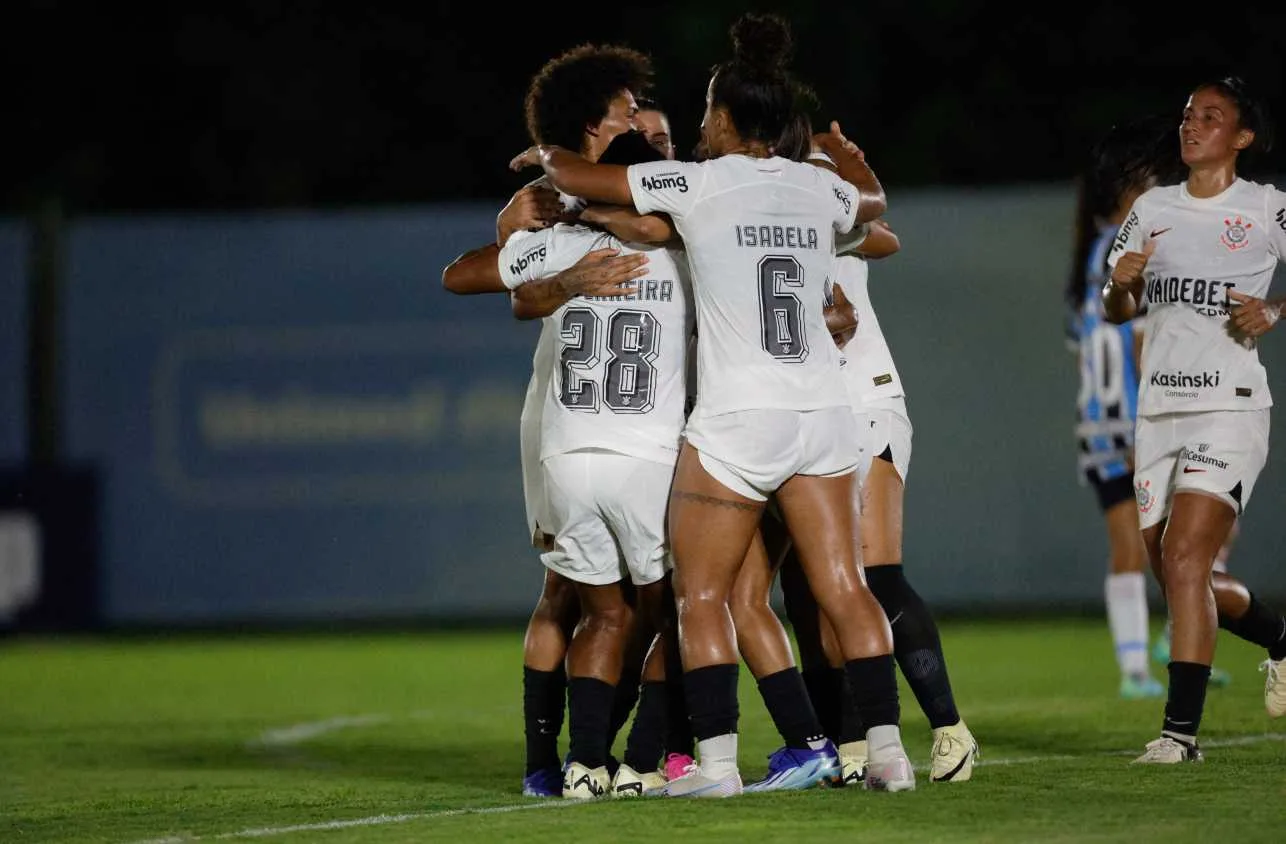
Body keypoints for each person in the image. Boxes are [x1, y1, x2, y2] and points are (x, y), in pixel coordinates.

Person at [511, 12, 915, 796]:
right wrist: (844, 156)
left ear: (728, 118)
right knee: (844, 587)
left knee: (703, 595)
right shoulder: (817, 186)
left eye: (705, 111)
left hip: (738, 421)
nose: (698, 126)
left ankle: (719, 765)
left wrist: (545, 159)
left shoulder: (695, 182)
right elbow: (870, 203)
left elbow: (585, 180)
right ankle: (889, 752)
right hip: (824, 415)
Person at [441, 42, 655, 796]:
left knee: (594, 602)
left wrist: (535, 246)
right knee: (628, 602)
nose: (646, 127)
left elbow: (484, 282)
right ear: (598, 124)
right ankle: (606, 758)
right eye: (632, 113)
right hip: (625, 436)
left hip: (576, 435)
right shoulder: (659, 229)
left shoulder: (568, 220)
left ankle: (581, 762)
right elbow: (501, 287)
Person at [1102, 75, 1286, 764]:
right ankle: (1283, 640)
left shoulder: (1268, 208)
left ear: (1241, 137)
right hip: (1159, 415)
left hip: (1229, 409)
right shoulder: (1152, 207)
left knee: (1185, 559)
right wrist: (1122, 286)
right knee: (1184, 579)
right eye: (1187, 115)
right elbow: (1114, 306)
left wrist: (1274, 309)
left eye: (1211, 117)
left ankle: (1179, 737)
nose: (1192, 125)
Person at [1066, 115, 1235, 697]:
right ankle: (1154, 656)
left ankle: (1148, 658)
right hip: (1137, 421)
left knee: (1153, 544)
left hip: (1100, 423)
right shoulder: (1128, 257)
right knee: (1172, 544)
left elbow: (1085, 349)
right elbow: (1138, 344)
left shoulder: (1092, 260)